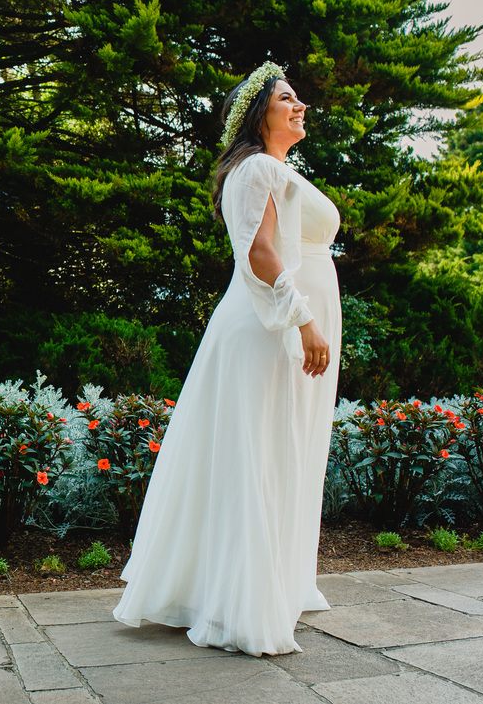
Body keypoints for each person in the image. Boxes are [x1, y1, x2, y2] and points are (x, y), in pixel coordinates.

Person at [111, 61, 342, 657]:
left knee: (276, 450)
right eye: (287, 98)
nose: (300, 106)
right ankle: (241, 605)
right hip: (271, 327)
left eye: (299, 99)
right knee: (258, 453)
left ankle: (265, 584)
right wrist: (306, 320)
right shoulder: (259, 167)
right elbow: (260, 253)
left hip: (279, 325)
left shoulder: (273, 169)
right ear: (259, 112)